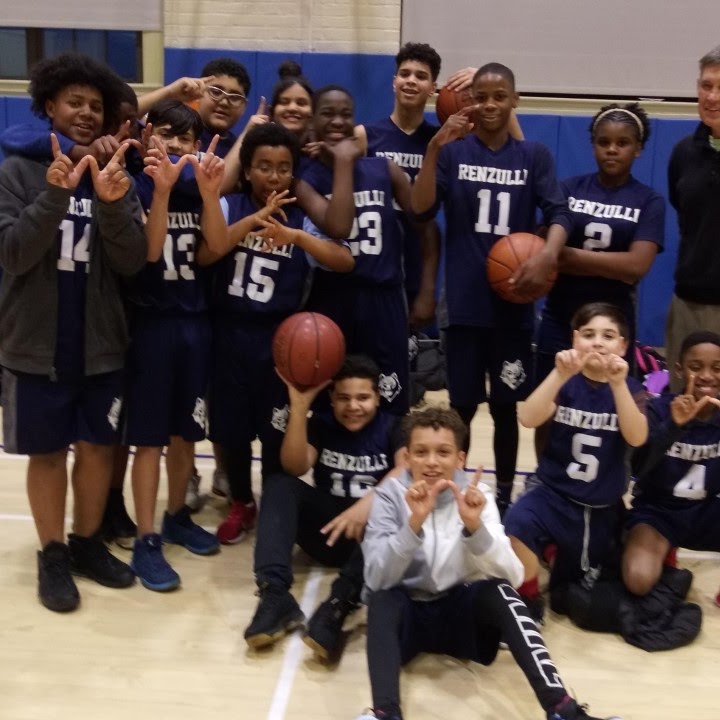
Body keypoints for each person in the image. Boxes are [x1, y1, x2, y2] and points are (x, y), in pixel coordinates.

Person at [357, 406, 620, 720]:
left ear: (460, 459)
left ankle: (562, 708)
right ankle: (385, 713)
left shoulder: (477, 496)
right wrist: (413, 524)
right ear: (407, 457)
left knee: (501, 592)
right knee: (382, 600)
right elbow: (374, 579)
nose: (431, 462)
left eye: (443, 452)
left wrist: (475, 529)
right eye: (421, 452)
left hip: (459, 617)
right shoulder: (389, 497)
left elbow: (513, 575)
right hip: (409, 618)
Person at [0, 53, 147, 612]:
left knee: (97, 447)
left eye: (96, 106)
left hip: (100, 339)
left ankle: (87, 543)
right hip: (36, 340)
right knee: (46, 453)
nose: (86, 113)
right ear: (49, 107)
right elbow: (13, 254)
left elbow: (132, 261)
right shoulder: (16, 172)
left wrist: (111, 205)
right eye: (74, 102)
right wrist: (56, 193)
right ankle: (53, 553)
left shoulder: (115, 176)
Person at [411, 62, 573, 513]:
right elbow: (421, 210)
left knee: (505, 409)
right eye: (479, 96)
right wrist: (432, 150)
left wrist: (546, 254)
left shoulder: (533, 156)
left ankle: (503, 495)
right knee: (461, 408)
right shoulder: (453, 152)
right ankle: (451, 490)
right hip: (463, 305)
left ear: (515, 101)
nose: (488, 104)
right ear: (468, 103)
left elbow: (559, 214)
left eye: (499, 96)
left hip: (513, 307)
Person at [196, 122, 354, 545]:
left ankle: (273, 504)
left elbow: (344, 260)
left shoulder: (302, 216)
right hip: (229, 334)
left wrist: (297, 237)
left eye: (283, 168)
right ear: (246, 171)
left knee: (275, 431)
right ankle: (241, 502)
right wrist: (251, 223)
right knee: (229, 431)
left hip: (281, 340)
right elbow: (207, 252)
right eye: (264, 167)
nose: (274, 176)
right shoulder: (229, 206)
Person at [122, 100, 226, 591]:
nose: (176, 146)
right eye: (166, 134)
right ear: (147, 137)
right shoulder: (133, 185)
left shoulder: (199, 186)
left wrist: (208, 196)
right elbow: (148, 250)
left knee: (187, 433)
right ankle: (146, 539)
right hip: (151, 324)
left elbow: (216, 248)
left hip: (194, 323)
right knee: (149, 440)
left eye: (186, 139)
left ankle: (177, 514)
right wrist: (161, 193)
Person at [243, 355, 404, 662]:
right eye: (343, 398)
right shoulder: (322, 424)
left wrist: (366, 506)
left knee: (399, 507)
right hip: (327, 533)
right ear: (331, 398)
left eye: (363, 398)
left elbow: (405, 470)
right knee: (279, 484)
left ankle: (339, 604)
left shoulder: (395, 426)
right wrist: (300, 406)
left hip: (370, 539)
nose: (353, 406)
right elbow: (295, 466)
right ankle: (274, 594)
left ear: (378, 398)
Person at [503, 303, 648, 621]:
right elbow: (527, 417)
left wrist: (619, 384)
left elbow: (637, 437)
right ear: (573, 340)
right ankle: (528, 598)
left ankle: (554, 550)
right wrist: (559, 373)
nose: (597, 342)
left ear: (622, 346)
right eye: (588, 334)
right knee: (517, 522)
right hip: (553, 492)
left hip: (598, 504)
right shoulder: (564, 381)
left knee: (577, 573)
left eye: (608, 336)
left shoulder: (632, 389)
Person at [298, 85, 436, 416]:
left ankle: (391, 466)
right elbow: (337, 227)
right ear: (313, 120)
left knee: (390, 399)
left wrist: (428, 289)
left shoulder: (384, 170)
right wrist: (343, 162)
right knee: (330, 397)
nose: (337, 121)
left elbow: (426, 228)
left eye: (345, 114)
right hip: (332, 297)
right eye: (327, 113)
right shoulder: (304, 180)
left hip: (384, 298)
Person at [537, 103, 665, 385]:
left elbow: (635, 267)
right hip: (561, 316)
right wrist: (610, 265)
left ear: (638, 148)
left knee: (608, 406)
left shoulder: (649, 200)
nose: (612, 149)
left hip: (613, 325)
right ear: (593, 145)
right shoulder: (569, 189)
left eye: (623, 143)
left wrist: (568, 255)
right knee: (549, 402)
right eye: (604, 142)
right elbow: (544, 248)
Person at [624, 331, 720, 606]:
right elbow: (637, 468)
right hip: (658, 512)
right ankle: (660, 551)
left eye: (716, 368)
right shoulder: (658, 410)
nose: (706, 376)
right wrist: (673, 427)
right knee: (638, 580)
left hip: (705, 511)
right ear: (678, 369)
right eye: (695, 367)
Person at [665, 45, 720, 390]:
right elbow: (686, 218)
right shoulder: (683, 153)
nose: (712, 96)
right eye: (706, 85)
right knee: (682, 408)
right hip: (689, 303)